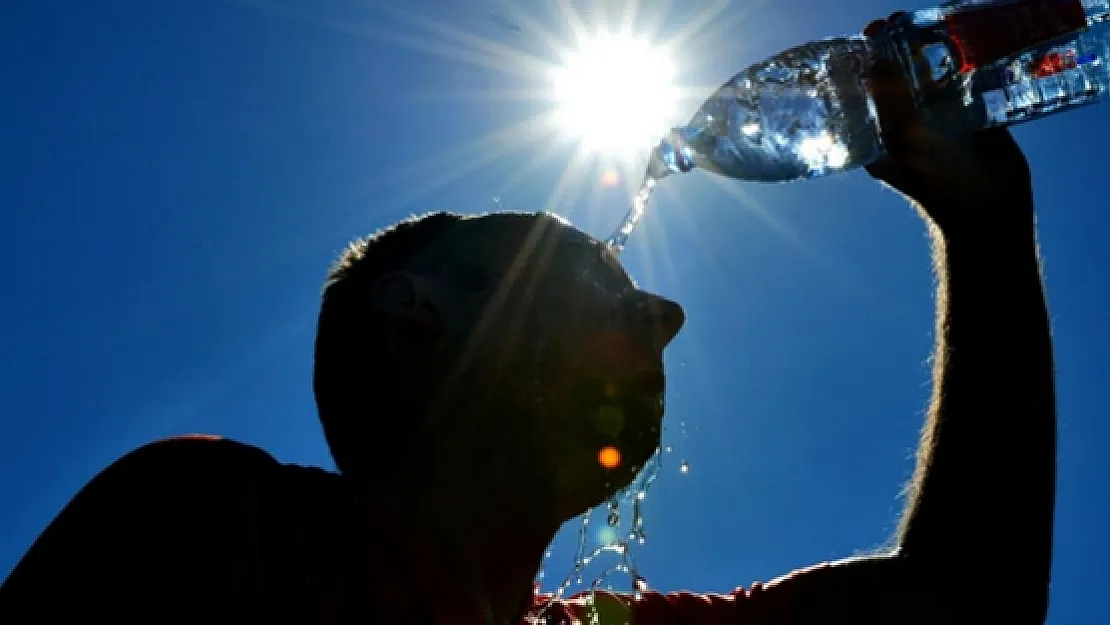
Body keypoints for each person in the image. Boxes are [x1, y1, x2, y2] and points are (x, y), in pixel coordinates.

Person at [0, 15, 1056, 625]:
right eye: (588, 274)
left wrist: (988, 226)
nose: (665, 312)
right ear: (417, 310)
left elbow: (963, 605)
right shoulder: (212, 531)